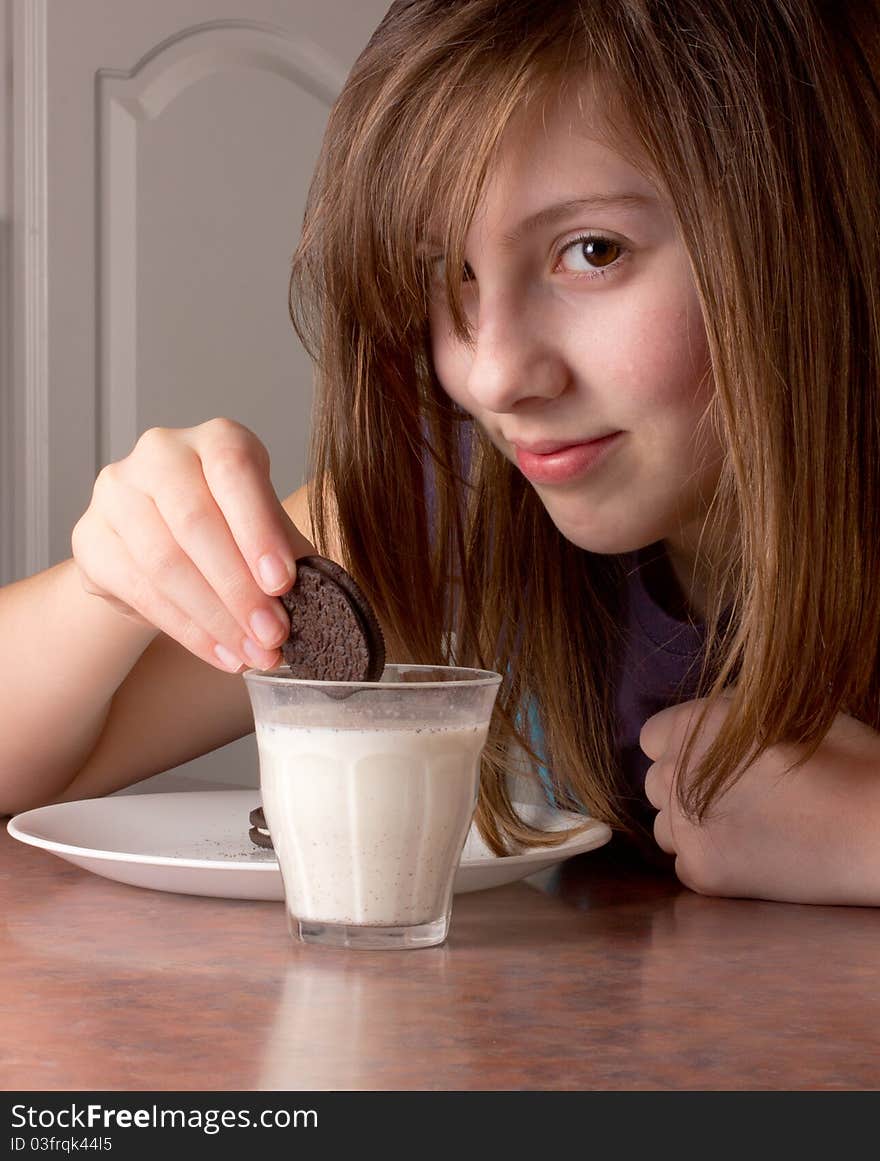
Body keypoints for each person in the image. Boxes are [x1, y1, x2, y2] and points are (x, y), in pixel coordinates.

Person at [2, 0, 878, 906]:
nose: (493, 375)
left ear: (804, 233)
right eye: (445, 271)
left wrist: (866, 835)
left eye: (593, 249)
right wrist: (106, 587)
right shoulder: (471, 488)